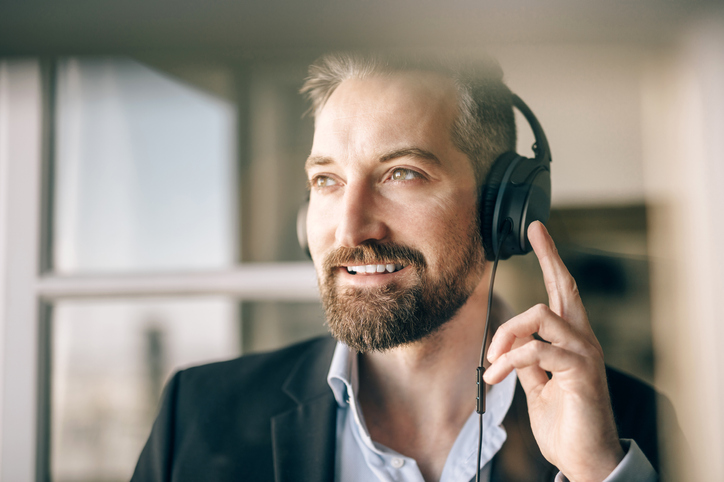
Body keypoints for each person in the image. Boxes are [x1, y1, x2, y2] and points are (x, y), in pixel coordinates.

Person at [131, 53, 666, 482]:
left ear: (502, 208)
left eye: (401, 174)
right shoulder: (199, 417)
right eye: (327, 181)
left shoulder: (630, 429)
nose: (349, 229)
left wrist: (599, 475)